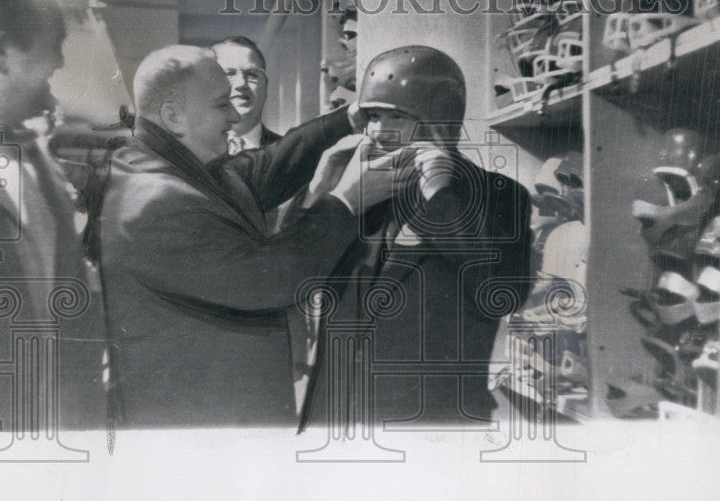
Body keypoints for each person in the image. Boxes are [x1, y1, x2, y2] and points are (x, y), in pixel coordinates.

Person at [97, 45, 396, 428]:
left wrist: (348, 120)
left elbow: (267, 166)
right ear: (174, 116)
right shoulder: (154, 201)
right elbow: (271, 279)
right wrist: (347, 201)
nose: (236, 115)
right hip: (198, 428)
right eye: (222, 104)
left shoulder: (179, 166)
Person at [299, 46, 533, 431]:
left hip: (428, 425)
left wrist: (441, 196)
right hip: (336, 415)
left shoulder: (500, 195)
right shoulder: (361, 189)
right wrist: (321, 191)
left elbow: (501, 291)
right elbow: (296, 279)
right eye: (372, 116)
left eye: (395, 116)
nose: (376, 131)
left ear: (437, 121)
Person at [0, 0, 108, 430]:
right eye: (54, 47)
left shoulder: (36, 158)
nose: (61, 63)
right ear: (2, 51)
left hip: (53, 427)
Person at [210, 36, 280, 154]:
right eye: (229, 74)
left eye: (251, 74)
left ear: (265, 87)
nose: (241, 83)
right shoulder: (190, 155)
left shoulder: (290, 153)